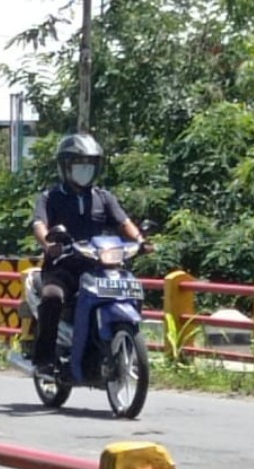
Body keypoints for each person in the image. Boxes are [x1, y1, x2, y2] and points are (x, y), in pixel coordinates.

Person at [30, 133, 152, 377]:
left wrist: (140, 240)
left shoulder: (103, 197)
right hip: (64, 267)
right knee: (52, 297)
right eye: (78, 164)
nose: (84, 170)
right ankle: (44, 358)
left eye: (89, 164)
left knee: (131, 289)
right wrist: (48, 244)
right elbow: (38, 224)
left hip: (99, 266)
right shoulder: (50, 197)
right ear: (65, 167)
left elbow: (123, 222)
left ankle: (111, 345)